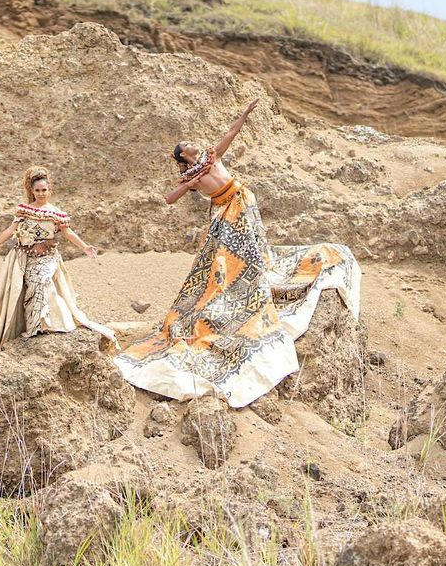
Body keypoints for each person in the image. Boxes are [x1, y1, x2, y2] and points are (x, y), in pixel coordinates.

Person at [114, 98, 362, 409]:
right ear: (182, 156)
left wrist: (244, 114)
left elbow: (230, 134)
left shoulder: (210, 157)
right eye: (186, 145)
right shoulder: (192, 174)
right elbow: (168, 198)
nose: (193, 144)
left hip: (242, 202)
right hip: (225, 213)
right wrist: (189, 183)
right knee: (228, 262)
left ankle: (258, 281)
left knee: (257, 253)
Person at [0, 167, 114, 430]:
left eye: (45, 190)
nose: (42, 194)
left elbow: (67, 234)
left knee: (42, 283)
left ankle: (43, 324)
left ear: (50, 190)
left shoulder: (56, 214)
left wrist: (84, 246)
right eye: (38, 191)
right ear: (31, 191)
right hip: (24, 257)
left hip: (47, 257)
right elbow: (12, 230)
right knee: (21, 293)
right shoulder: (25, 210)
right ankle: (30, 327)